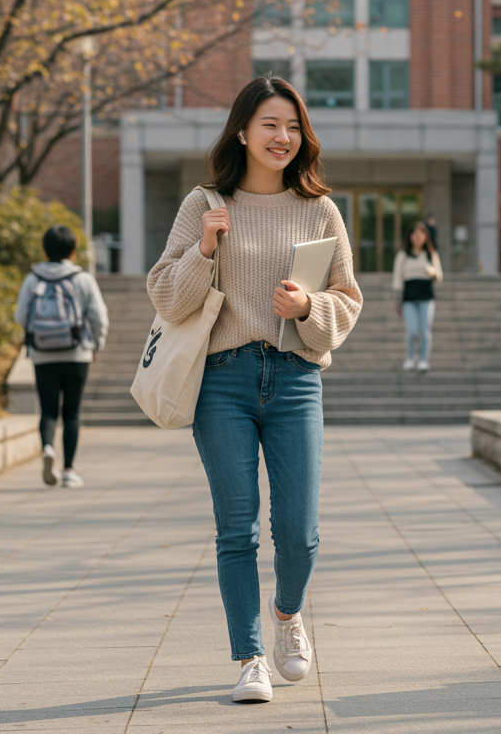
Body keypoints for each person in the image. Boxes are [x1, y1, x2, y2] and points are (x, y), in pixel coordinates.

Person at [147, 76, 362, 704]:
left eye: (293, 126)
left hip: (295, 378)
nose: (283, 137)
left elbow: (348, 299)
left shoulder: (319, 209)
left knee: (299, 532)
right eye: (271, 124)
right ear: (242, 130)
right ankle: (248, 658)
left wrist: (307, 306)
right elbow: (165, 293)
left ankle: (288, 618)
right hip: (221, 381)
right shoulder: (203, 203)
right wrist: (205, 249)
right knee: (235, 529)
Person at [14, 225, 110, 488]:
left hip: (43, 354)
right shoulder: (82, 278)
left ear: (45, 249)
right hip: (76, 353)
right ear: (73, 250)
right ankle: (68, 470)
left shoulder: (33, 279)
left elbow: (20, 316)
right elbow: (99, 317)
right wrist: (96, 345)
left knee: (47, 410)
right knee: (72, 413)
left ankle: (47, 447)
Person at [392, 221, 443, 372]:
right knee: (412, 330)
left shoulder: (430, 254)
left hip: (426, 296)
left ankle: (423, 360)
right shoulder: (403, 255)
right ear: (410, 237)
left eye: (421, 234)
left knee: (425, 330)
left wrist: (431, 271)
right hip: (409, 297)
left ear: (425, 237)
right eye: (414, 234)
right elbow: (397, 279)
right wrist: (397, 300)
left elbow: (439, 276)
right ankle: (410, 358)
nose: (417, 238)